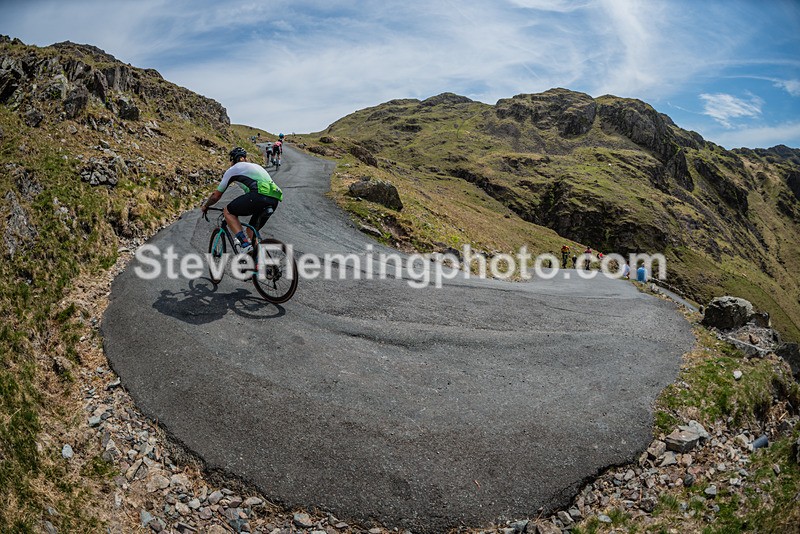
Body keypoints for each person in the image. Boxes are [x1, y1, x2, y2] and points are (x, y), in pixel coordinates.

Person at [201, 147, 283, 253]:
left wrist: (205, 206)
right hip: (274, 198)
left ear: (233, 160)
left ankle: (244, 244)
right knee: (250, 232)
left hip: (259, 195)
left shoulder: (233, 169)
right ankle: (261, 263)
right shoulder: (255, 166)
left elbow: (215, 196)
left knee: (228, 211)